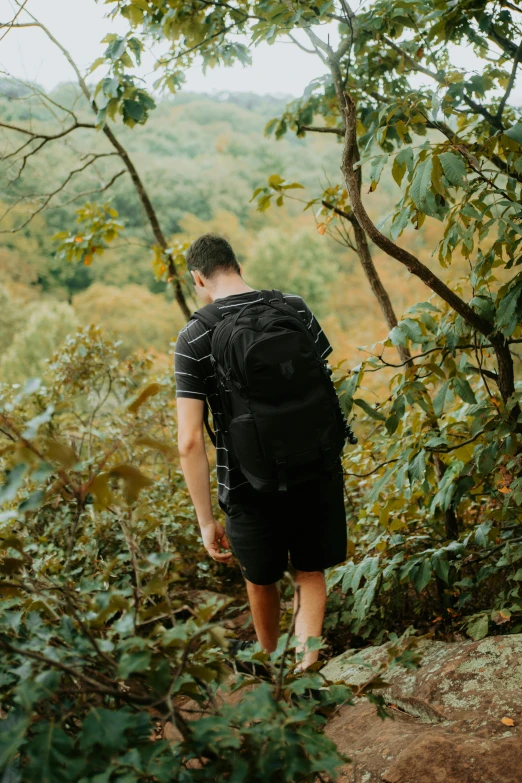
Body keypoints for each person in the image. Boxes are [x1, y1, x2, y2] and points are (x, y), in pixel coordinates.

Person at [174, 233, 347, 670]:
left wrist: (205, 520)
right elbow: (322, 380)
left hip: (247, 480)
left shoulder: (194, 337)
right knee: (310, 571)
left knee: (260, 577)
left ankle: (270, 670)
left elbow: (190, 440)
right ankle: (307, 669)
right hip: (314, 463)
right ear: (236, 264)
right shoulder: (294, 306)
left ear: (198, 278)